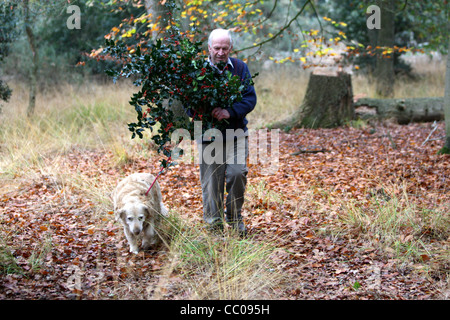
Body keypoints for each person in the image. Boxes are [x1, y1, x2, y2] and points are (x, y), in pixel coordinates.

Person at [193, 28, 257, 236]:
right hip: (207, 133)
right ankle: (214, 225)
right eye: (217, 48)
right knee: (212, 180)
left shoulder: (240, 68)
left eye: (225, 48)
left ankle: (236, 219)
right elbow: (188, 102)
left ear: (231, 48)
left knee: (238, 174)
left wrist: (229, 112)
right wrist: (205, 112)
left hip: (235, 133)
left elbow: (250, 99)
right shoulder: (197, 70)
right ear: (209, 48)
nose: (221, 52)